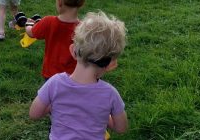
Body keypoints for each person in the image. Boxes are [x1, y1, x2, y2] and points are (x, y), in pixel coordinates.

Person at [29, 11, 128, 139]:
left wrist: (55, 105)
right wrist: (103, 115)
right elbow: (121, 128)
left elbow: (34, 114)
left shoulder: (55, 84)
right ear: (110, 64)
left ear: (73, 51)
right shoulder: (110, 94)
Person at [25, 0, 87, 80]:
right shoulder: (84, 29)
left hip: (51, 75)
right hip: (74, 76)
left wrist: (28, 25)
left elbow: (31, 33)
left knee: (51, 96)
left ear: (59, 1)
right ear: (82, 3)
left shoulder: (48, 21)